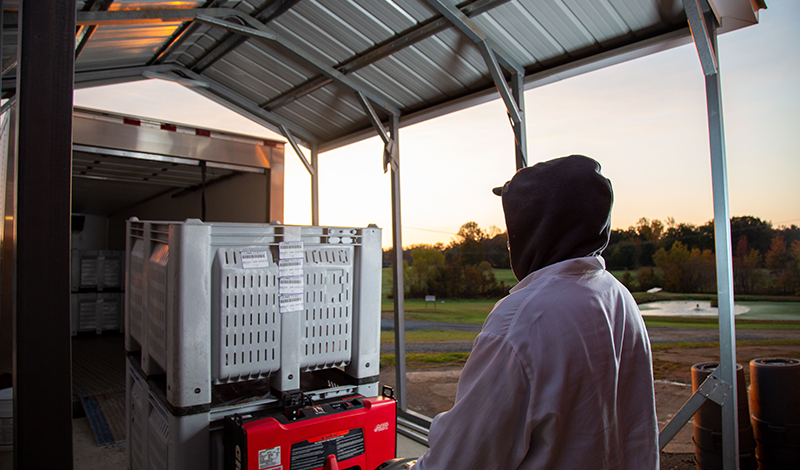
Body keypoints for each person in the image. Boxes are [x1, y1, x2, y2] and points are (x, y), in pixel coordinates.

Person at [412, 155, 658, 469]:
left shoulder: (521, 321)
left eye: (514, 225)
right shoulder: (618, 296)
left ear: (534, 229)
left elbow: (457, 460)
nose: (508, 241)